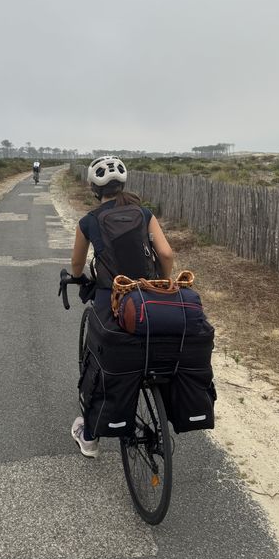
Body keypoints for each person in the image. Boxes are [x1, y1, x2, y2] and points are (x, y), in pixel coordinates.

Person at [69, 155, 174, 458]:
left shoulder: (89, 221)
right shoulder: (144, 213)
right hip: (149, 296)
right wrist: (163, 285)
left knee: (98, 362)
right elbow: (166, 254)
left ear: (93, 188)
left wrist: (76, 278)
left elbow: (77, 265)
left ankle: (89, 439)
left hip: (111, 298)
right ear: (125, 183)